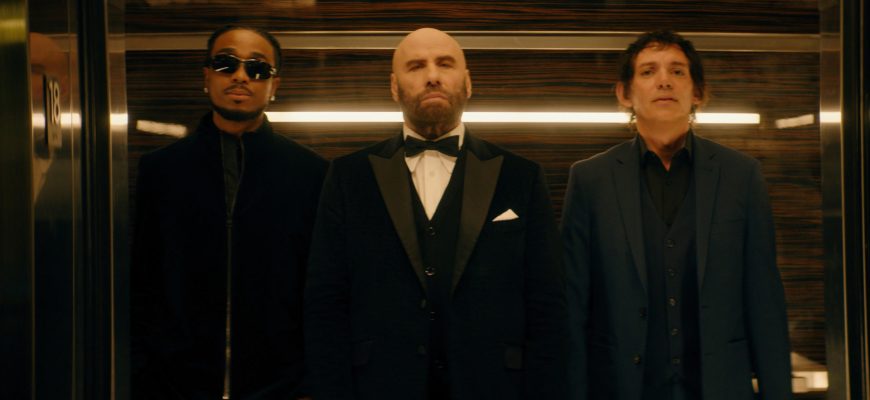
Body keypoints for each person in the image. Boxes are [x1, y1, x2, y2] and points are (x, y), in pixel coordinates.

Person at [304, 27, 567, 400]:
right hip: (379, 387)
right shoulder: (348, 176)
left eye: (445, 63)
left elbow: (547, 304)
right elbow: (325, 302)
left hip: (493, 386)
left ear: (468, 82)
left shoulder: (521, 177)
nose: (432, 76)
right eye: (416, 66)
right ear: (394, 87)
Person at [562, 30, 792, 400]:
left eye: (678, 71)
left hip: (720, 387)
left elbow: (764, 298)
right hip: (620, 385)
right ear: (624, 94)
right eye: (648, 71)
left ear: (698, 92)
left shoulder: (741, 175)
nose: (664, 80)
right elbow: (573, 305)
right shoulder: (590, 179)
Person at [131, 25, 327, 399]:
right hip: (174, 381)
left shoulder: (311, 173)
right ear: (206, 76)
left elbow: (322, 285)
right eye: (226, 64)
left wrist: (309, 382)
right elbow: (142, 277)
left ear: (274, 85)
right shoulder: (161, 170)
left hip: (281, 384)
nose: (240, 76)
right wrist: (144, 369)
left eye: (257, 68)